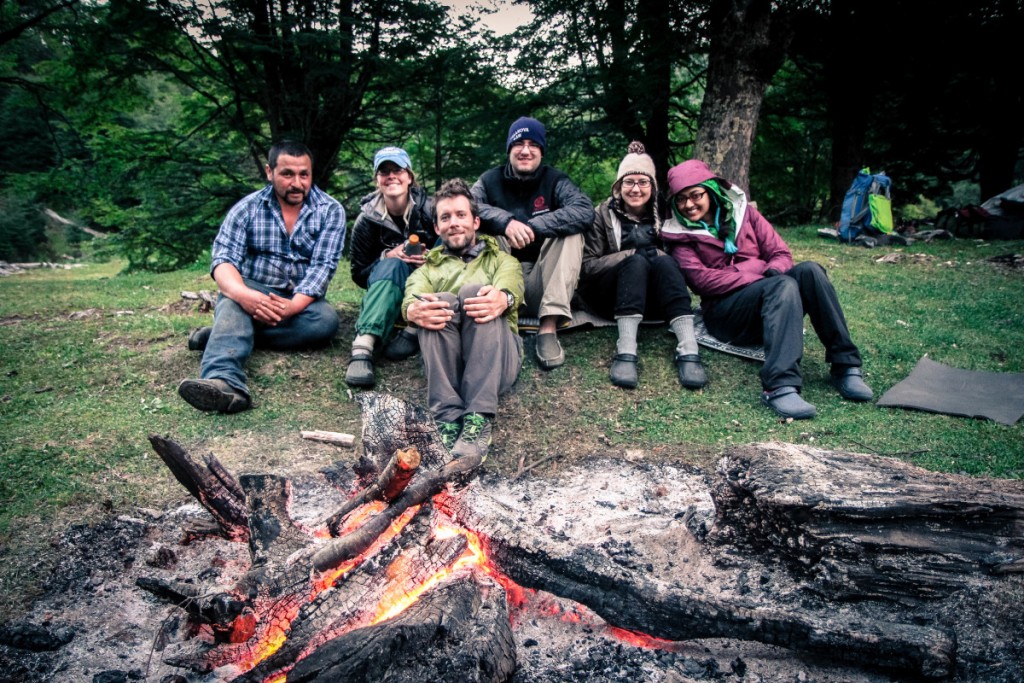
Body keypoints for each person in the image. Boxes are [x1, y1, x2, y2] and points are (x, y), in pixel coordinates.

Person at [660, 159, 873, 420]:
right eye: (681, 200)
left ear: (711, 191)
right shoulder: (679, 237)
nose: (689, 205)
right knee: (781, 284)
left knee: (810, 271)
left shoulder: (744, 214)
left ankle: (846, 365)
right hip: (727, 314)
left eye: (695, 195)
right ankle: (780, 386)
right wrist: (758, 274)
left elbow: (780, 252)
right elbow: (703, 281)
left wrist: (770, 272)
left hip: (769, 300)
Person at [178, 140, 346, 413]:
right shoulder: (247, 208)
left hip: (300, 299)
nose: (297, 183)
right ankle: (223, 382)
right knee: (231, 299)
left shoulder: (330, 210)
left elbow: (322, 268)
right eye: (287, 174)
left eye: (304, 174)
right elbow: (223, 261)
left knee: (325, 322)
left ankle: (228, 331)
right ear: (270, 172)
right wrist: (245, 296)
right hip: (254, 287)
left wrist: (293, 306)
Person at [402, 178, 524, 462]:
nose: (454, 222)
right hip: (450, 366)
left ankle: (478, 419)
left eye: (461, 215)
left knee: (476, 292)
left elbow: (512, 286)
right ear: (437, 228)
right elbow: (412, 295)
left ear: (476, 222)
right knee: (434, 301)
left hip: (498, 360)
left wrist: (503, 298)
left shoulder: (502, 260)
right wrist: (412, 310)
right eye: (445, 217)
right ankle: (446, 418)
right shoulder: (426, 270)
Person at [579, 142, 707, 390]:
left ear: (653, 186)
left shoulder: (668, 214)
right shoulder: (602, 214)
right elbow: (587, 266)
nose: (635, 189)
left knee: (666, 261)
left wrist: (656, 255)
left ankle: (689, 350)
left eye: (643, 182)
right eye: (629, 182)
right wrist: (631, 254)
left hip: (658, 303)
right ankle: (626, 351)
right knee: (636, 261)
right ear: (618, 186)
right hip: (612, 299)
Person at [471, 116, 594, 370]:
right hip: (501, 282)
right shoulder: (488, 180)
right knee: (483, 232)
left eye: (533, 144)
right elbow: (466, 207)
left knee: (571, 234)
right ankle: (498, 324)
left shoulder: (556, 180)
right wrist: (505, 223)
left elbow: (584, 210)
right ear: (509, 149)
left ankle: (548, 328)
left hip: (545, 280)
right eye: (519, 143)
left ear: (541, 150)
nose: (525, 150)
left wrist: (533, 227)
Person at [345, 146, 435, 387]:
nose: (391, 176)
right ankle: (363, 348)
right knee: (393, 264)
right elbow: (359, 273)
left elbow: (457, 249)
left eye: (397, 170)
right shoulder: (366, 219)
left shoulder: (431, 209)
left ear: (409, 177)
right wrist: (388, 256)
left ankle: (413, 331)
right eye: (384, 171)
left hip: (428, 285)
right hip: (387, 286)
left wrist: (431, 258)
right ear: (377, 179)